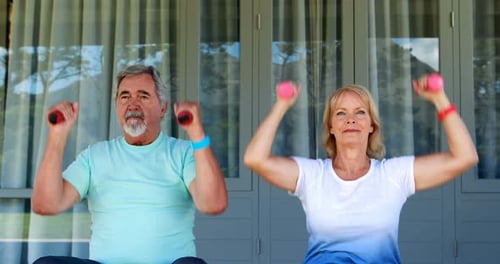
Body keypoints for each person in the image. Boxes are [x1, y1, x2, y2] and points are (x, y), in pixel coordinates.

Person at [243, 76, 478, 264]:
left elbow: (465, 157)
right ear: (331, 128)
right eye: (341, 113)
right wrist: (281, 106)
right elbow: (255, 158)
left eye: (360, 112)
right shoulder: (312, 175)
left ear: (371, 125)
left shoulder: (394, 175)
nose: (351, 119)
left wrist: (440, 99)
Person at [31, 64, 228, 264]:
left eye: (143, 96)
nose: (132, 104)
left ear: (163, 108)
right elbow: (46, 205)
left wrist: (197, 134)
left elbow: (213, 204)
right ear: (117, 105)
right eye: (124, 97)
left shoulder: (183, 152)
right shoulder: (95, 156)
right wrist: (57, 134)